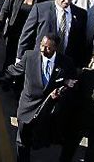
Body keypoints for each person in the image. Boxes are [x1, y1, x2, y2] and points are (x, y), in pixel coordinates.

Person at [5, 34, 78, 162]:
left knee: (39, 140)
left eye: (48, 48)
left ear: (56, 48)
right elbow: (13, 71)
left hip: (47, 111)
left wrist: (64, 88)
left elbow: (72, 83)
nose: (43, 50)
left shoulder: (66, 63)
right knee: (22, 141)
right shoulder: (30, 56)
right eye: (42, 46)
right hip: (27, 107)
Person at [18, 0, 88, 65]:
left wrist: (80, 64)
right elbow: (27, 34)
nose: (66, 1)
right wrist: (20, 57)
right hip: (42, 58)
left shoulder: (80, 14)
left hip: (65, 62)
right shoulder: (40, 9)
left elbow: (81, 41)